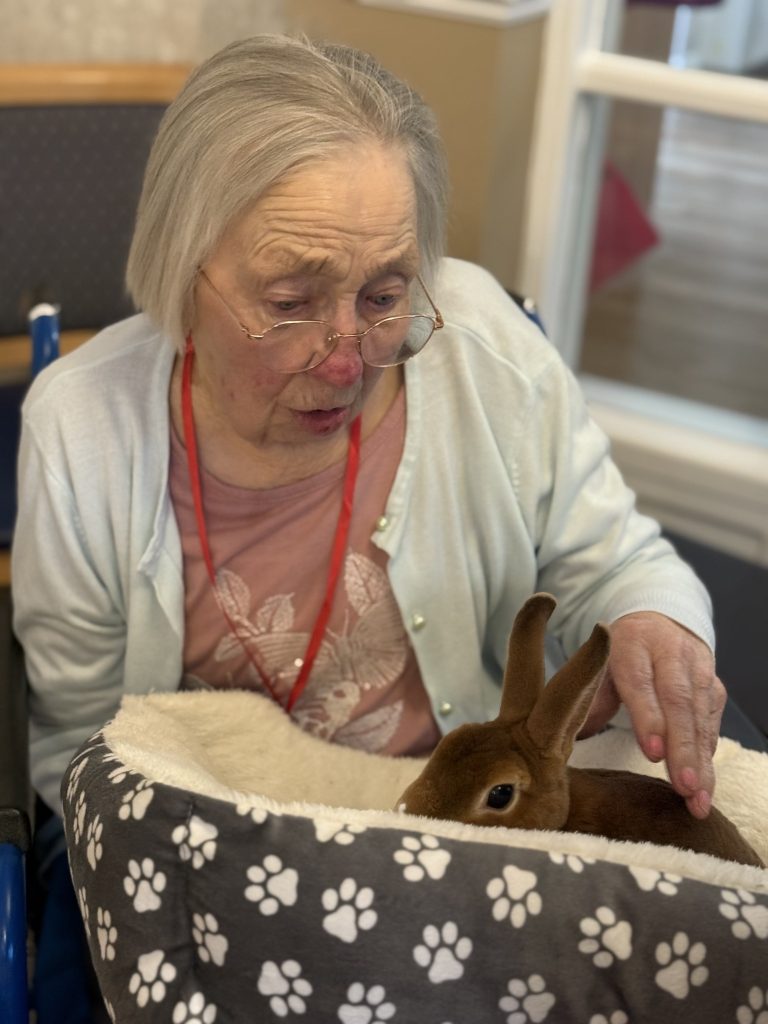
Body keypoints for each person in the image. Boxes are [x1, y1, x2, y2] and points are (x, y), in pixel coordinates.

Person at [14, 35, 725, 846]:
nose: (349, 358)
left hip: (468, 823)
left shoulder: (482, 348)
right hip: (210, 833)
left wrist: (656, 623)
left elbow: (621, 561)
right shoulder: (80, 432)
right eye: (290, 301)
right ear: (180, 271)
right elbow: (80, 744)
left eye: (385, 293)